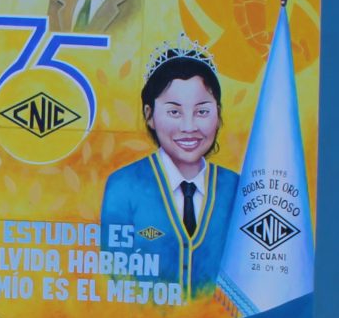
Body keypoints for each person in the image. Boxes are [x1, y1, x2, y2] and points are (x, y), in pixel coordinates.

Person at [97, 46, 236, 300]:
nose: (189, 127)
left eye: (202, 111)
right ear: (149, 115)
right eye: (174, 112)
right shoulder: (124, 186)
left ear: (218, 113)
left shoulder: (237, 189)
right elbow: (114, 276)